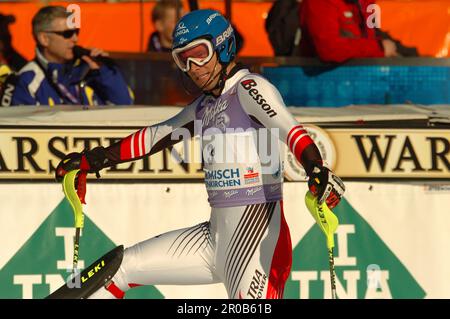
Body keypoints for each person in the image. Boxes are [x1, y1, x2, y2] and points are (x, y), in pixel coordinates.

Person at [51, 9, 345, 299]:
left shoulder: (249, 87)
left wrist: (315, 168)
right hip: (211, 240)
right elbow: (155, 136)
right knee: (120, 270)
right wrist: (93, 160)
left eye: (199, 54)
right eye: (183, 58)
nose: (192, 66)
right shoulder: (205, 106)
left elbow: (291, 130)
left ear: (223, 46)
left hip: (257, 245)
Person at [11, 6, 133, 106]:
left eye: (76, 32)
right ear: (44, 39)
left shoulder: (89, 70)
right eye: (67, 33)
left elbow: (125, 105)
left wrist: (104, 70)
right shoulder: (28, 79)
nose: (75, 39)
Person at [298, 0, 418, 62]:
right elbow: (329, 49)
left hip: (362, 75)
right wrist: (379, 48)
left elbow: (371, 33)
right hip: (329, 84)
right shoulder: (320, 3)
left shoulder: (364, 3)